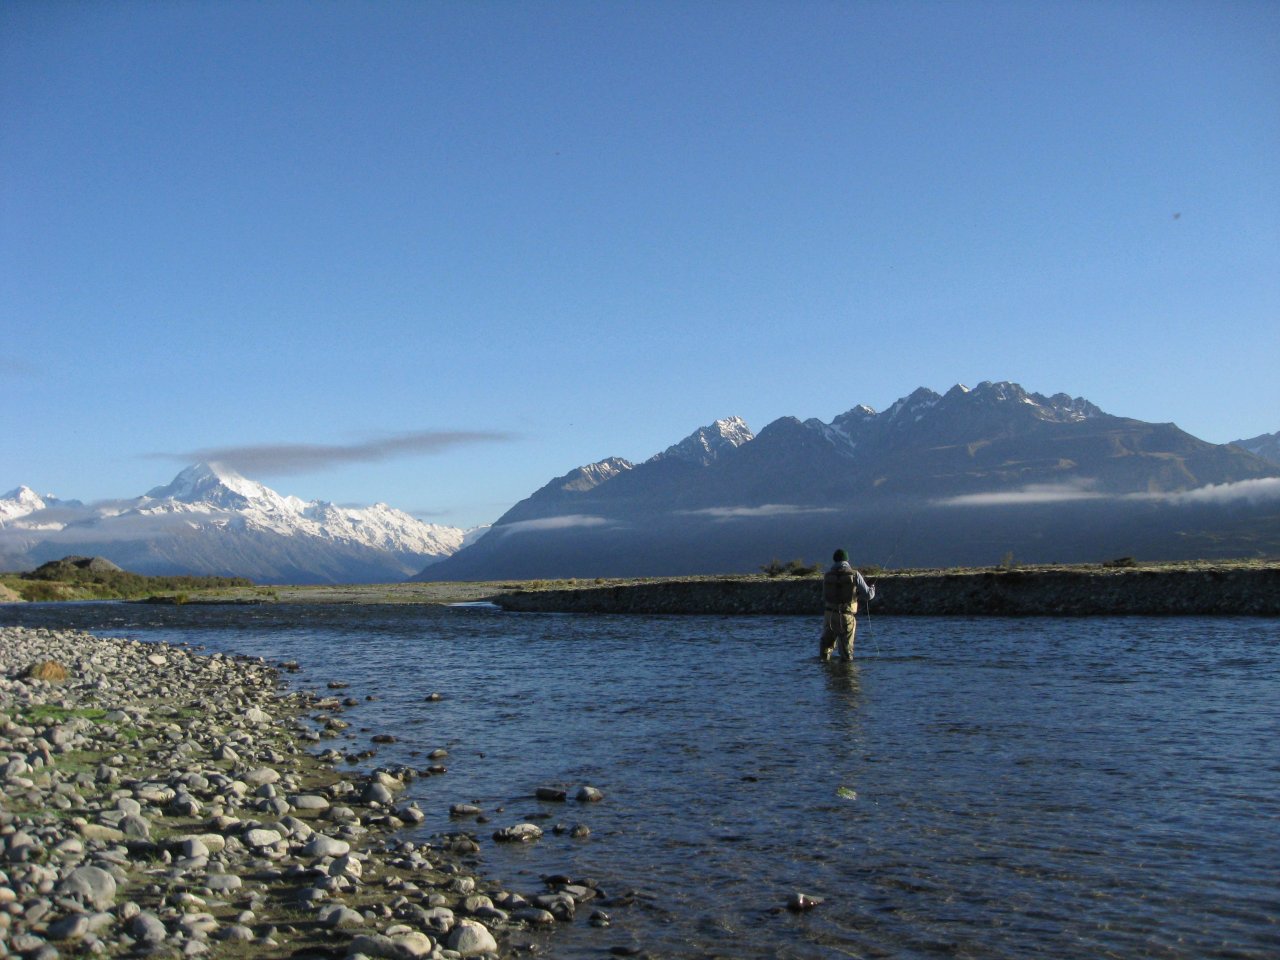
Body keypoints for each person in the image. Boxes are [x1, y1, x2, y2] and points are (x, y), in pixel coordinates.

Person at [819, 548, 875, 661]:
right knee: (846, 652)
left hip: (829, 615)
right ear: (847, 560)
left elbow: (825, 595)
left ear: (834, 560)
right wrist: (872, 588)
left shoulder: (827, 575)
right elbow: (869, 595)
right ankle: (846, 674)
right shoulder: (854, 574)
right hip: (846, 616)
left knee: (825, 649)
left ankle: (826, 673)